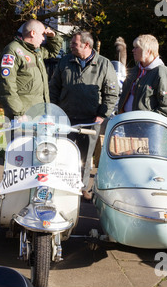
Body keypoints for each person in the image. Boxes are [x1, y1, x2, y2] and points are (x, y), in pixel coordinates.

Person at [49, 31, 119, 200]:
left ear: (86, 45)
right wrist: (53, 110)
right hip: (65, 118)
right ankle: (62, 185)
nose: (71, 45)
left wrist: (102, 114)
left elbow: (112, 93)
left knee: (85, 156)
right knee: (62, 153)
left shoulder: (103, 64)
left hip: (90, 120)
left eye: (74, 43)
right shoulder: (65, 61)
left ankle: (81, 188)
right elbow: (54, 87)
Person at [0, 19, 63, 122]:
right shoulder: (13, 50)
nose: (43, 38)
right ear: (33, 33)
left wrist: (52, 37)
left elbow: (53, 52)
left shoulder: (35, 52)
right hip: (23, 117)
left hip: (40, 114)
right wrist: (19, 113)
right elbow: (6, 85)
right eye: (42, 35)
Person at [117, 34, 167, 117]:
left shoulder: (162, 72)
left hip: (146, 126)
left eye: (136, 47)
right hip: (127, 122)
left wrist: (149, 121)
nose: (133, 50)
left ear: (147, 51)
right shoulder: (135, 70)